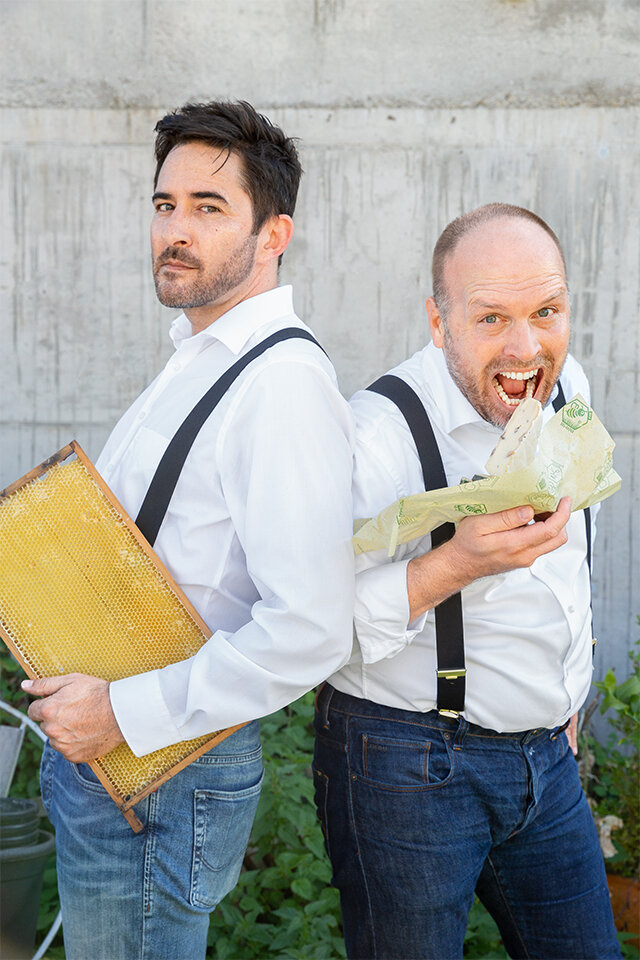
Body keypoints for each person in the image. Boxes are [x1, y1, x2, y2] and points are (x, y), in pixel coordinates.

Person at [22, 100, 355, 960]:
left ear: (275, 233)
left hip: (159, 766)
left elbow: (311, 629)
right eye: (166, 204)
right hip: (119, 754)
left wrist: (123, 714)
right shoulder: (199, 355)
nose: (176, 229)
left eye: (210, 209)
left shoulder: (279, 385)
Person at [313, 204, 621, 959]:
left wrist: (567, 699)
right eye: (491, 318)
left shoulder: (563, 385)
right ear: (438, 319)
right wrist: (453, 565)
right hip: (407, 763)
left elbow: (570, 568)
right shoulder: (378, 438)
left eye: (546, 311)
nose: (526, 346)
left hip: (545, 759)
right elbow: (312, 631)